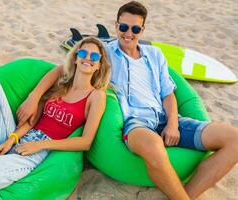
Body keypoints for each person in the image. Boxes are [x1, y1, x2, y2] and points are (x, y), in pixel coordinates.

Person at [16, 2, 238, 200]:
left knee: (234, 139)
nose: (128, 33)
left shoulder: (155, 55)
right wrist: (34, 97)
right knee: (153, 145)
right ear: (116, 26)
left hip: (167, 118)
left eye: (135, 29)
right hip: (136, 124)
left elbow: (168, 93)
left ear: (143, 30)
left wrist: (172, 123)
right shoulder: (106, 54)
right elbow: (60, 69)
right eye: (123, 27)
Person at [0, 37, 111, 199]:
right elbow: (34, 121)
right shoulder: (62, 84)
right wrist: (11, 138)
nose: (88, 58)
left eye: (94, 56)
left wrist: (41, 145)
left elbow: (86, 141)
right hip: (15, 138)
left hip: (31, 156)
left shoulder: (96, 96)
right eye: (82, 53)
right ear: (75, 58)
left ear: (99, 65)